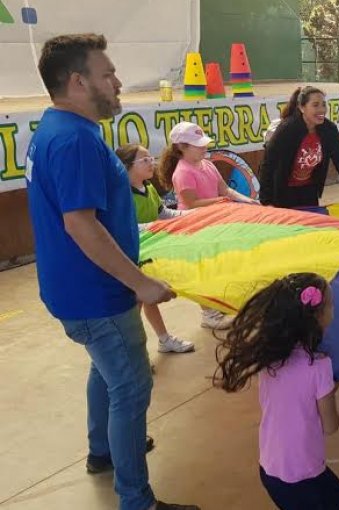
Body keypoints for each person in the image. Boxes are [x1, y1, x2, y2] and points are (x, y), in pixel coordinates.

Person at [25, 33, 197, 510]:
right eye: (108, 74)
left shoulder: (58, 130)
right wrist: (140, 283)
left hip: (76, 289)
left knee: (106, 371)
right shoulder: (75, 140)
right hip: (96, 294)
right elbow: (80, 225)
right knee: (131, 385)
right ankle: (136, 499)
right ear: (78, 81)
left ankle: (102, 452)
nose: (118, 82)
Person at [214, 273, 339, 510]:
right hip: (303, 473)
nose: (334, 310)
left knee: (337, 495)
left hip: (270, 469)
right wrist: (330, 392)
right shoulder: (319, 366)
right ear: (317, 317)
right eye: (331, 305)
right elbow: (331, 426)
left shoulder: (270, 356)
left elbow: (293, 395)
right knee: (336, 499)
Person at [158, 121, 258, 331]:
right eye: (198, 145)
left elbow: (225, 190)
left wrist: (247, 200)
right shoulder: (183, 172)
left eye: (203, 144)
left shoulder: (208, 165)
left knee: (222, 264)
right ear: (181, 147)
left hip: (217, 220)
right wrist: (223, 203)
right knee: (204, 269)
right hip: (196, 224)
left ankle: (220, 304)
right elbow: (193, 203)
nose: (204, 148)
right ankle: (209, 313)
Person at [116, 143, 193, 354]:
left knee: (147, 300)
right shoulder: (121, 195)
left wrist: (193, 216)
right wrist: (159, 228)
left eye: (152, 158)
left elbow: (164, 214)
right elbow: (129, 227)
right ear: (126, 166)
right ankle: (134, 354)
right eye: (144, 160)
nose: (152, 163)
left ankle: (163, 339)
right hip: (130, 259)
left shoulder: (148, 188)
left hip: (147, 255)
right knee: (134, 309)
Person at [259, 86, 339, 208]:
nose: (322, 110)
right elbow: (268, 163)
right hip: (283, 190)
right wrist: (266, 202)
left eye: (323, 105)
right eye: (315, 105)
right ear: (302, 107)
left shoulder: (329, 130)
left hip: (309, 189)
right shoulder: (287, 129)